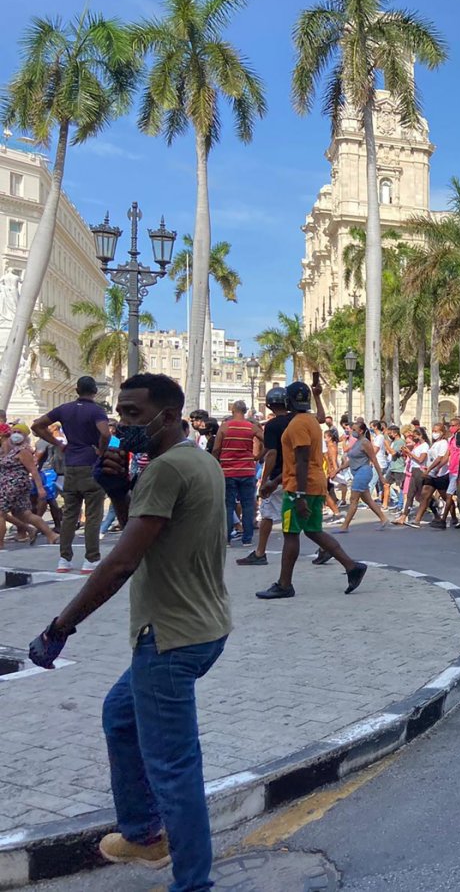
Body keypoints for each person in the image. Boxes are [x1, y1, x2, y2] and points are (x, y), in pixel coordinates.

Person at [27, 373, 230, 889]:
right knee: (120, 717)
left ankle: (192, 882)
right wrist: (119, 488)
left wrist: (61, 625)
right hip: (202, 628)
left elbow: (121, 562)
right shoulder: (197, 460)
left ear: (167, 416)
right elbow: (148, 528)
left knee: (174, 770)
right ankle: (142, 833)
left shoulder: (166, 470)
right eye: (120, 412)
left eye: (135, 414)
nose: (122, 423)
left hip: (167, 637)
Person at [256, 380, 367, 599]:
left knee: (290, 533)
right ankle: (352, 566)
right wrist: (276, 481)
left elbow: (301, 459)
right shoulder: (310, 421)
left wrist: (298, 495)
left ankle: (284, 584)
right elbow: (299, 461)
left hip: (301, 486)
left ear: (287, 401)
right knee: (313, 530)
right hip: (314, 483)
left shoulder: (297, 425)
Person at [32, 376, 110, 572]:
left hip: (71, 465)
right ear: (94, 391)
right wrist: (101, 450)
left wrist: (58, 443)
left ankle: (64, 559)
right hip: (91, 465)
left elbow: (37, 425)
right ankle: (91, 559)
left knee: (69, 515)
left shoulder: (64, 409)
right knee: (93, 515)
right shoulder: (97, 410)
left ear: (77, 390)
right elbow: (106, 433)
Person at [235, 388, 290, 566]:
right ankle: (325, 547)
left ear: (269, 404)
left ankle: (260, 552)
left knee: (267, 514)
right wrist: (259, 456)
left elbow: (273, 452)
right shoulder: (294, 421)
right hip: (292, 473)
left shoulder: (273, 425)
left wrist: (265, 479)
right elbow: (271, 446)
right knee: (297, 514)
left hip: (277, 475)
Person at [0, 424, 60, 547]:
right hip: (9, 485)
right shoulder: (8, 450)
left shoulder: (22, 450)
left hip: (14, 485)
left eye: (19, 432)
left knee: (1, 513)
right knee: (24, 514)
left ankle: (0, 543)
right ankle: (50, 534)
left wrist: (40, 488)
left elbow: (33, 470)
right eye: (14, 431)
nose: (15, 434)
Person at [213, 400, 262, 547]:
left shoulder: (225, 427)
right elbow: (267, 441)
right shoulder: (251, 427)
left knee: (228, 505)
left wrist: (216, 463)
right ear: (245, 411)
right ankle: (247, 539)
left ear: (233, 410)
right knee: (247, 505)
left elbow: (216, 449)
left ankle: (227, 539)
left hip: (228, 471)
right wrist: (258, 457)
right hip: (247, 470)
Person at [337, 419, 390, 531]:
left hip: (363, 472)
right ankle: (383, 518)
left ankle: (345, 526)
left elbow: (374, 460)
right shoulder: (357, 442)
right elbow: (350, 460)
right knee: (368, 500)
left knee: (353, 499)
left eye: (354, 430)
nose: (352, 431)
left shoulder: (365, 443)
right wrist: (338, 470)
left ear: (361, 431)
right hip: (356, 472)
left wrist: (380, 476)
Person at [400, 422, 452, 529]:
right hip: (431, 474)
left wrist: (430, 469)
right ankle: (417, 520)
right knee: (424, 497)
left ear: (442, 432)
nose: (434, 433)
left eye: (436, 431)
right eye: (433, 431)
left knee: (445, 497)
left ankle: (451, 517)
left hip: (440, 474)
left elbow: (440, 458)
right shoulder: (434, 444)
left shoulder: (443, 443)